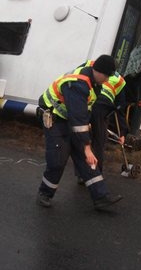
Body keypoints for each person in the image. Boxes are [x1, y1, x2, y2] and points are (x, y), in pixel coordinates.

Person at [36, 54, 123, 211]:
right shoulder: (78, 84)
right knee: (58, 160)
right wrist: (87, 146)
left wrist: (87, 144)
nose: (108, 80)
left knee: (87, 160)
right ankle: (45, 193)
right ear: (99, 71)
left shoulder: (95, 83)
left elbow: (85, 113)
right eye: (107, 76)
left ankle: (101, 197)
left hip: (70, 121)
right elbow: (78, 117)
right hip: (56, 121)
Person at [75, 59, 128, 173]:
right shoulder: (120, 80)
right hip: (103, 107)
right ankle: (95, 173)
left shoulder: (91, 64)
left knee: (81, 133)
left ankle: (80, 173)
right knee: (99, 140)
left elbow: (76, 75)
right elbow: (121, 106)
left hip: (87, 99)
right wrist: (122, 132)